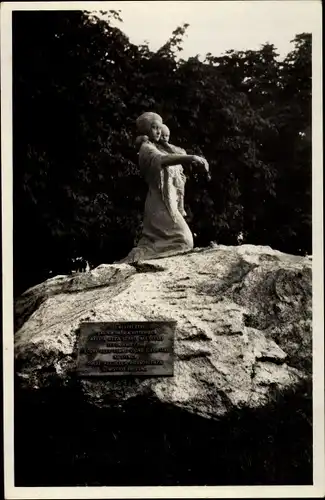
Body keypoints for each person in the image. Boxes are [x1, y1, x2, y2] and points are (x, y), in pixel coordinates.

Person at [118, 112, 209, 263]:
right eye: (154, 128)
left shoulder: (160, 147)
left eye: (159, 128)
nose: (158, 131)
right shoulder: (146, 149)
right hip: (158, 203)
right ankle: (143, 259)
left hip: (168, 203)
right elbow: (161, 160)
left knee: (183, 241)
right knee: (183, 240)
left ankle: (147, 258)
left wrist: (188, 159)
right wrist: (191, 158)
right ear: (146, 130)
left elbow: (176, 155)